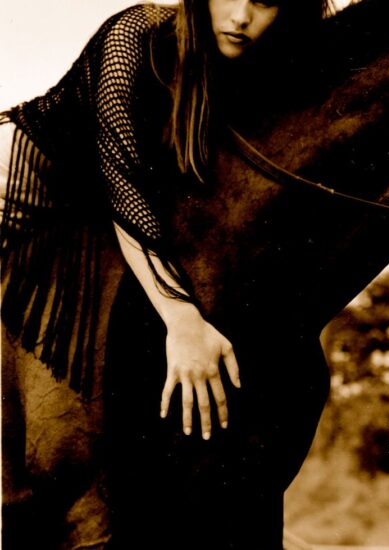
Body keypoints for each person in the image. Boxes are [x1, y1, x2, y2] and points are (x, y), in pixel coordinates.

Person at [1, 0, 332, 548]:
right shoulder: (134, 35)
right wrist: (182, 318)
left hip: (109, 204)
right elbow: (122, 181)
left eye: (266, 1)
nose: (242, 17)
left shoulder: (258, 63)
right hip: (26, 179)